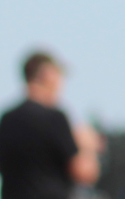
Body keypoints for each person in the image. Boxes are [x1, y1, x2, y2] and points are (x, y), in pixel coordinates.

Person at [0, 51, 101, 199]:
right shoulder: (54, 118)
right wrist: (87, 146)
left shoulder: (7, 119)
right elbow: (84, 173)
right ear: (47, 76)